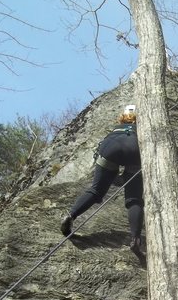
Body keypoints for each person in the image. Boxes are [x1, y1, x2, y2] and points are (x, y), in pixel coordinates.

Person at [61, 104, 144, 254]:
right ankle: (135, 239)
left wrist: (112, 178)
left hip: (110, 146)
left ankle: (71, 215)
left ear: (123, 117)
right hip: (134, 147)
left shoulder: (116, 128)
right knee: (134, 199)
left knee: (96, 190)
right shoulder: (142, 127)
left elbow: (108, 175)